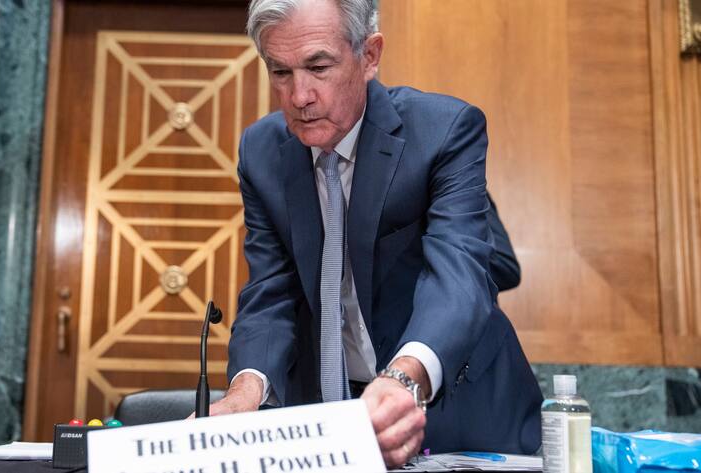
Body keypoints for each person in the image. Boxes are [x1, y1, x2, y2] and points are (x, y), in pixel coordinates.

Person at [212, 0, 543, 466]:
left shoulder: (443, 130)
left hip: (456, 406)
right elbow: (271, 289)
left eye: (318, 67)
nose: (299, 96)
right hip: (335, 411)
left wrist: (405, 379)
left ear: (369, 56)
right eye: (280, 72)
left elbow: (459, 277)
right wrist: (245, 391)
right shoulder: (262, 151)